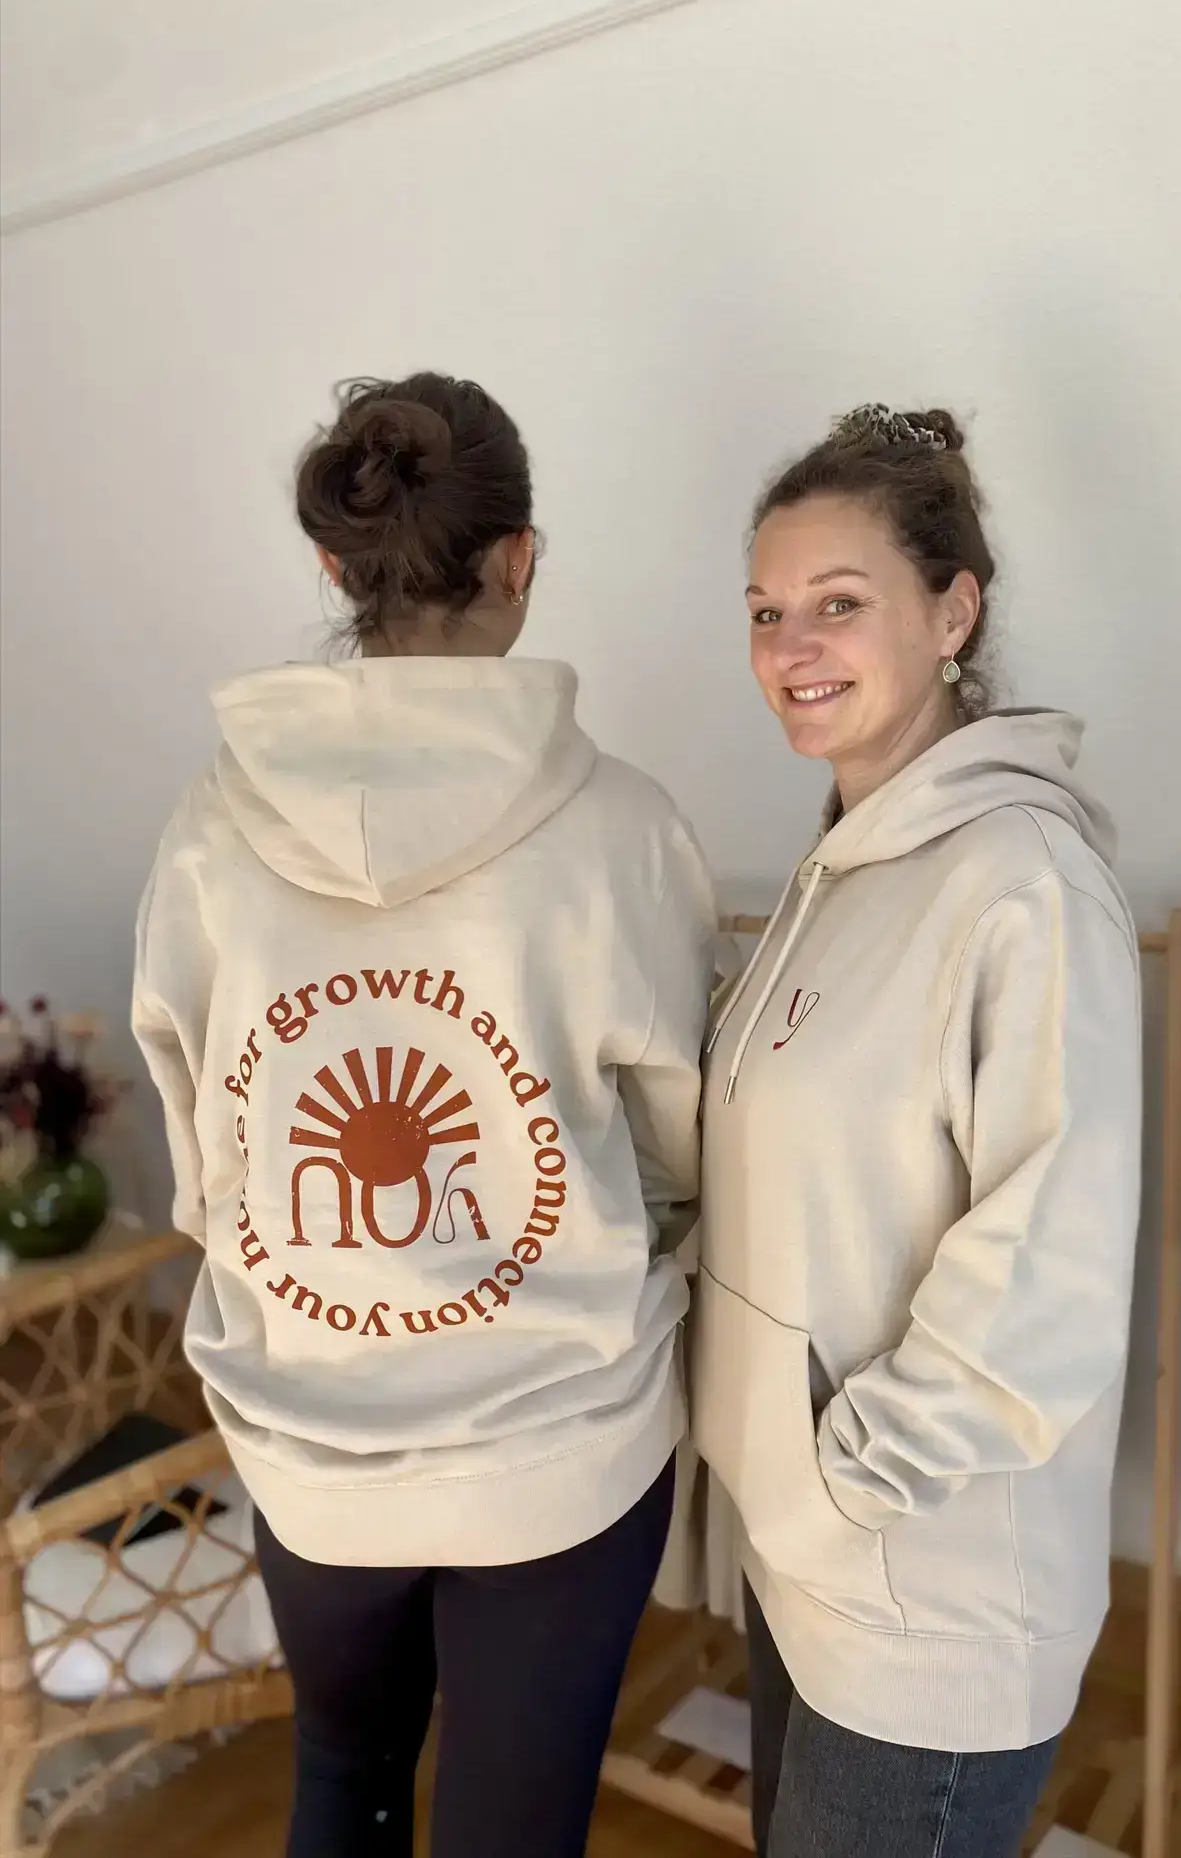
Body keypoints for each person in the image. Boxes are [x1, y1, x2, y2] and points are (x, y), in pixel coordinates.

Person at [133, 373, 714, 1858]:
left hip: (308, 1436)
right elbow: (682, 1142)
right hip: (556, 1446)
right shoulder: (625, 828)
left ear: (338, 570)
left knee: (345, 1776)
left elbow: (201, 1131)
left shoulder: (207, 829)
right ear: (521, 558)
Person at [692, 403, 1143, 1858]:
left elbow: (1046, 1275)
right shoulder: (840, 862)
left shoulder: (1025, 885)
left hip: (927, 1596)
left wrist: (843, 1484)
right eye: (766, 611)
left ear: (955, 612)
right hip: (809, 1549)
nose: (790, 647)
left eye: (839, 603)